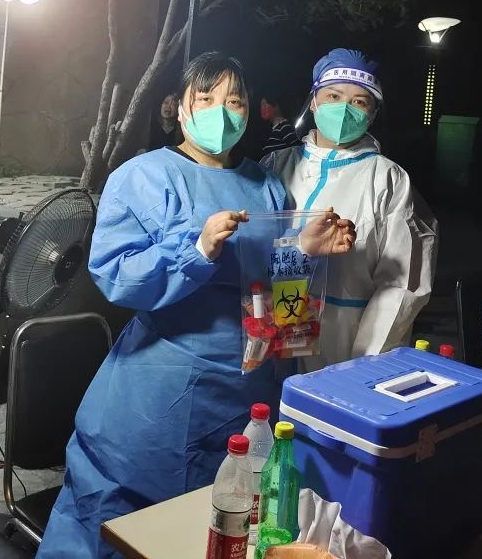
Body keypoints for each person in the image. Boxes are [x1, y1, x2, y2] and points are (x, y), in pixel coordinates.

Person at [38, 52, 355, 559]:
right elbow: (117, 278)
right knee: (119, 523)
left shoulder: (265, 185)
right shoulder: (144, 176)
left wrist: (305, 250)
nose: (221, 112)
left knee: (223, 521)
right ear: (181, 108)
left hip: (248, 390)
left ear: (249, 111)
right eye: (205, 98)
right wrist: (198, 249)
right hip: (160, 390)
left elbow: (278, 296)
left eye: (235, 101)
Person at [262, 48, 438, 369]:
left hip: (343, 342)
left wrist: (365, 364)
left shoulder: (387, 179)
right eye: (333, 96)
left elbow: (401, 285)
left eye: (359, 101)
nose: (344, 108)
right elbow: (250, 250)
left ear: (372, 114)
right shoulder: (275, 166)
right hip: (267, 331)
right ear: (313, 102)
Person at [259, 93, 301, 157]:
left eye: (264, 104)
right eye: (261, 105)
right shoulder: (272, 130)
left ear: (276, 106)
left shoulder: (285, 127)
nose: (262, 108)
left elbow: (297, 151)